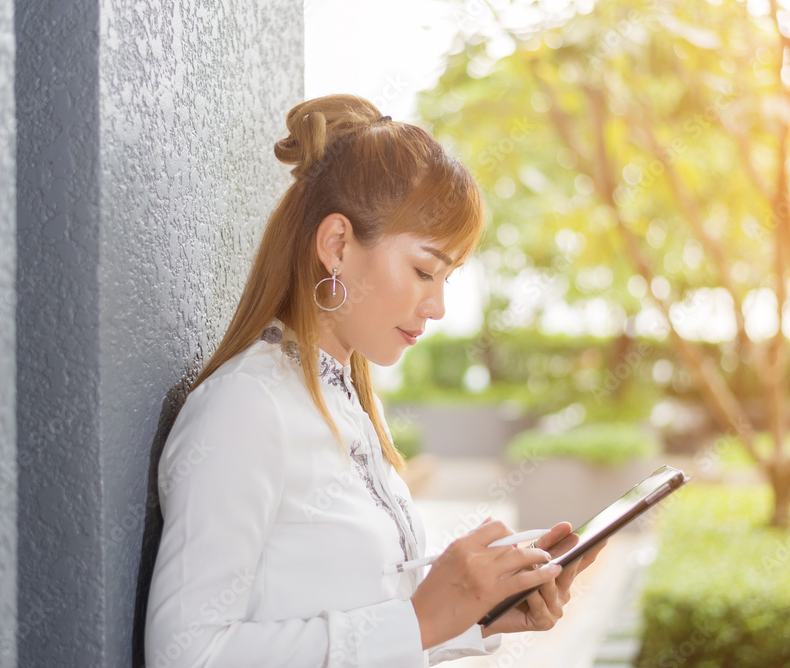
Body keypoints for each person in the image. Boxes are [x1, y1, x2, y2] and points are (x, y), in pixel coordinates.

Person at [143, 94, 603, 668]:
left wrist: (477, 612)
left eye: (448, 278)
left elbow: (369, 613)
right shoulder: (246, 408)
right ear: (337, 245)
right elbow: (186, 654)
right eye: (423, 271)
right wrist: (426, 616)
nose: (436, 306)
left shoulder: (353, 403)